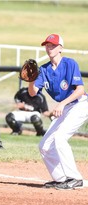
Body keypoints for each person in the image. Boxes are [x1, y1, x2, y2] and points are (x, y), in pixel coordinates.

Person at [28, 33, 88, 190]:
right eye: (47, 45)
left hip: (80, 104)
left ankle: (75, 178)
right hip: (66, 107)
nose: (49, 48)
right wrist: (31, 79)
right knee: (44, 145)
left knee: (60, 138)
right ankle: (61, 178)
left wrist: (61, 104)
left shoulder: (69, 64)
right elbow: (33, 92)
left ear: (60, 48)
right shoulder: (44, 70)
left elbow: (80, 90)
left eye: (53, 45)